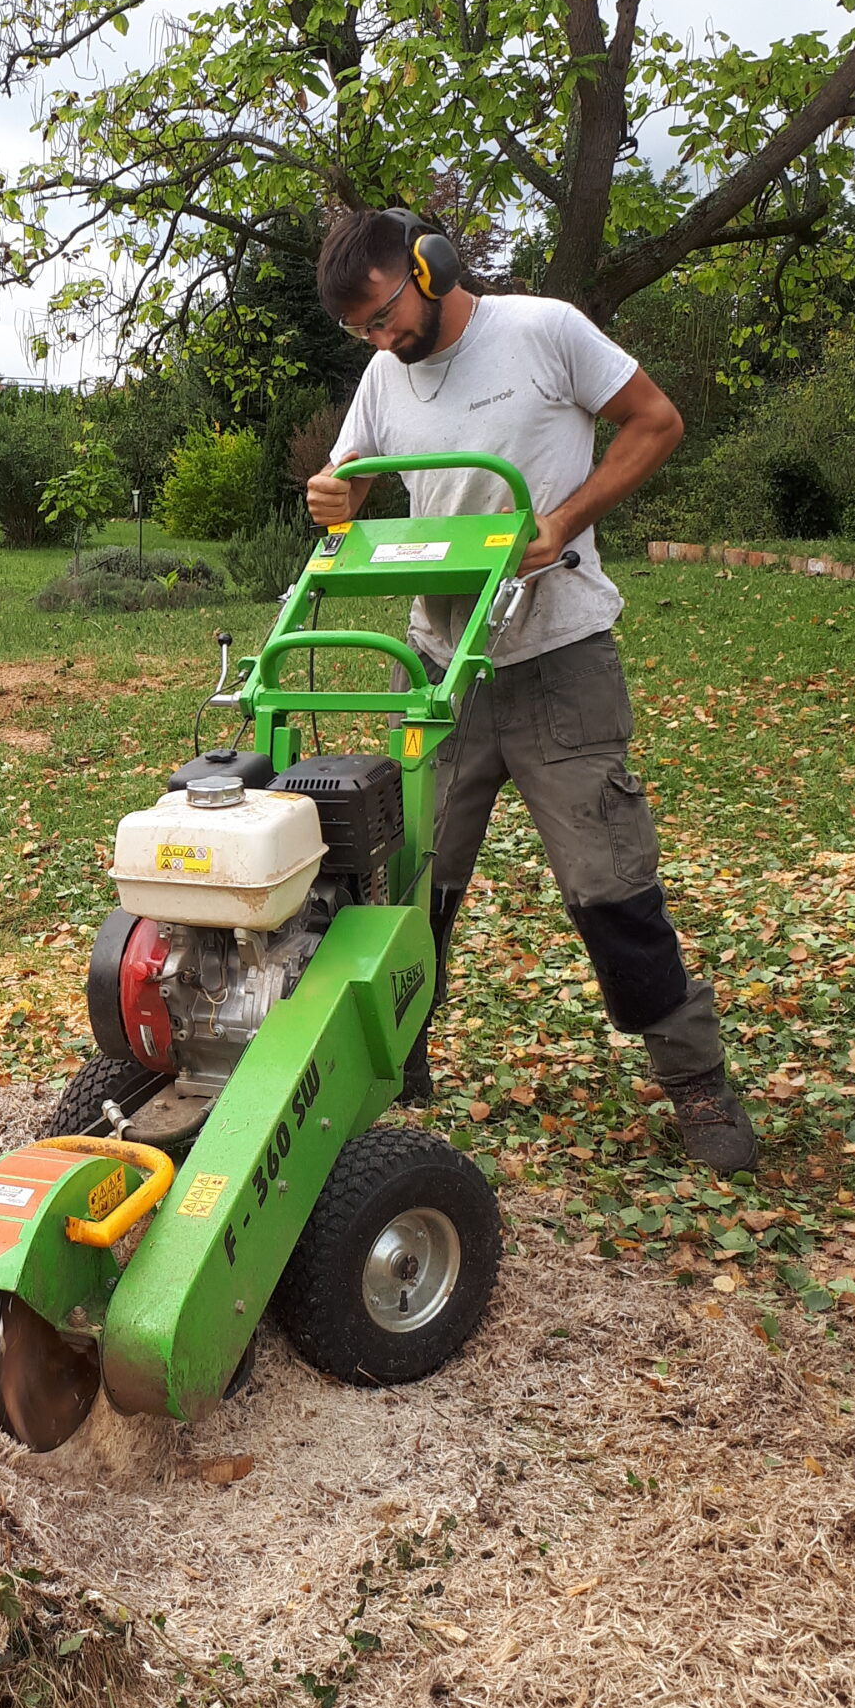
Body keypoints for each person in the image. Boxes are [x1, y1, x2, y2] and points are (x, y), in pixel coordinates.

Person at [304, 207, 757, 1172]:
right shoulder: (385, 375)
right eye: (362, 332)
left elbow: (656, 422)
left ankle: (696, 1082)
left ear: (430, 267)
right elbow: (348, 481)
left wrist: (563, 519)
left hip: (558, 658)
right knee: (407, 886)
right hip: (441, 670)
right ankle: (395, 1057)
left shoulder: (545, 331)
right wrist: (333, 492)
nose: (380, 341)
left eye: (385, 315)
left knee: (611, 886)